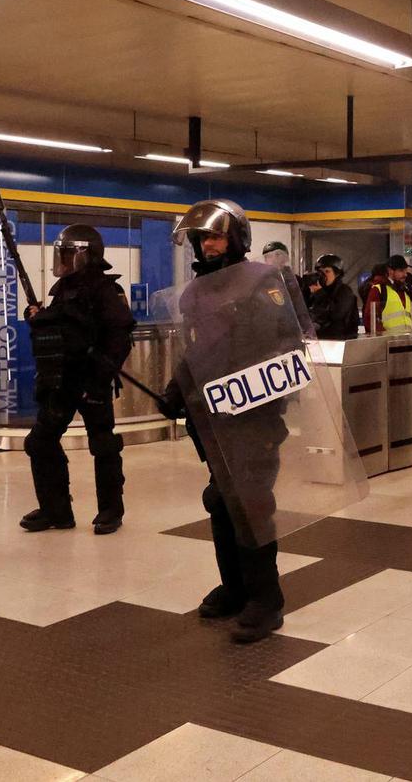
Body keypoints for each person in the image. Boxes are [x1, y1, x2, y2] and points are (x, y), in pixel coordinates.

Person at [159, 199, 300, 643]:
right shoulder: (195, 293)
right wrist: (176, 389)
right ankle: (236, 587)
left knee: (250, 501)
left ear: (237, 238)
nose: (210, 244)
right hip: (213, 417)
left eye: (217, 236)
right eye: (203, 238)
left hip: (254, 413)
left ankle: (266, 598)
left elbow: (287, 343)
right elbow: (196, 351)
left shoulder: (263, 281)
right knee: (221, 500)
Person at [20, 224, 135, 535]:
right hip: (61, 381)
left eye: (70, 253)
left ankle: (110, 510)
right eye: (63, 253)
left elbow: (119, 336)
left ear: (88, 255)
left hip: (91, 382)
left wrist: (98, 377)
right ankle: (55, 510)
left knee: (103, 444)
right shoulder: (64, 289)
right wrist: (40, 319)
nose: (64, 259)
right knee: (39, 442)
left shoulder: (104, 290)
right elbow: (63, 330)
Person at [307, 253, 360, 340]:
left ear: (337, 274)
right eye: (320, 272)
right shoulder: (318, 291)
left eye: (327, 271)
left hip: (340, 340)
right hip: (321, 340)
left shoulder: (344, 291)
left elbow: (336, 314)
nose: (323, 275)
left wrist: (320, 293)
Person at [363, 254, 412, 335]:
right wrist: (384, 336)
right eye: (401, 271)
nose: (405, 274)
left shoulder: (404, 291)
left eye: (405, 270)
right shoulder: (379, 289)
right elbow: (369, 319)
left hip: (406, 342)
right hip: (387, 343)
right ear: (390, 271)